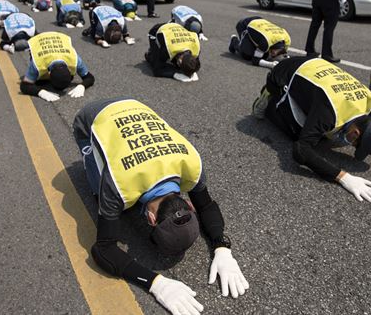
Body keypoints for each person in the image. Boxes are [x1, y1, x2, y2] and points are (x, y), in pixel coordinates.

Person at [73, 97, 249, 315]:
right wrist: (156, 284)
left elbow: (207, 205)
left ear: (189, 204)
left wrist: (222, 248)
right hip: (91, 117)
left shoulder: (192, 164)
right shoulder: (118, 184)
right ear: (151, 219)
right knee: (103, 199)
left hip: (135, 105)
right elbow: (103, 249)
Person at [252, 56, 371, 202]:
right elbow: (301, 151)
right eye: (357, 144)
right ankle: (268, 101)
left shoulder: (368, 101)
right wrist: (342, 177)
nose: (353, 147)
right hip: (282, 74)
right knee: (298, 133)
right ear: (356, 132)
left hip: (316, 69)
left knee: (320, 132)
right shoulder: (329, 111)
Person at [20, 31, 95, 102]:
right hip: (38, 39)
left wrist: (82, 86)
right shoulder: (37, 63)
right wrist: (41, 93)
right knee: (39, 80)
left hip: (59, 37)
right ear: (48, 74)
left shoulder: (75, 60)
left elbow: (89, 77)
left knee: (41, 83)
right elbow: (24, 85)